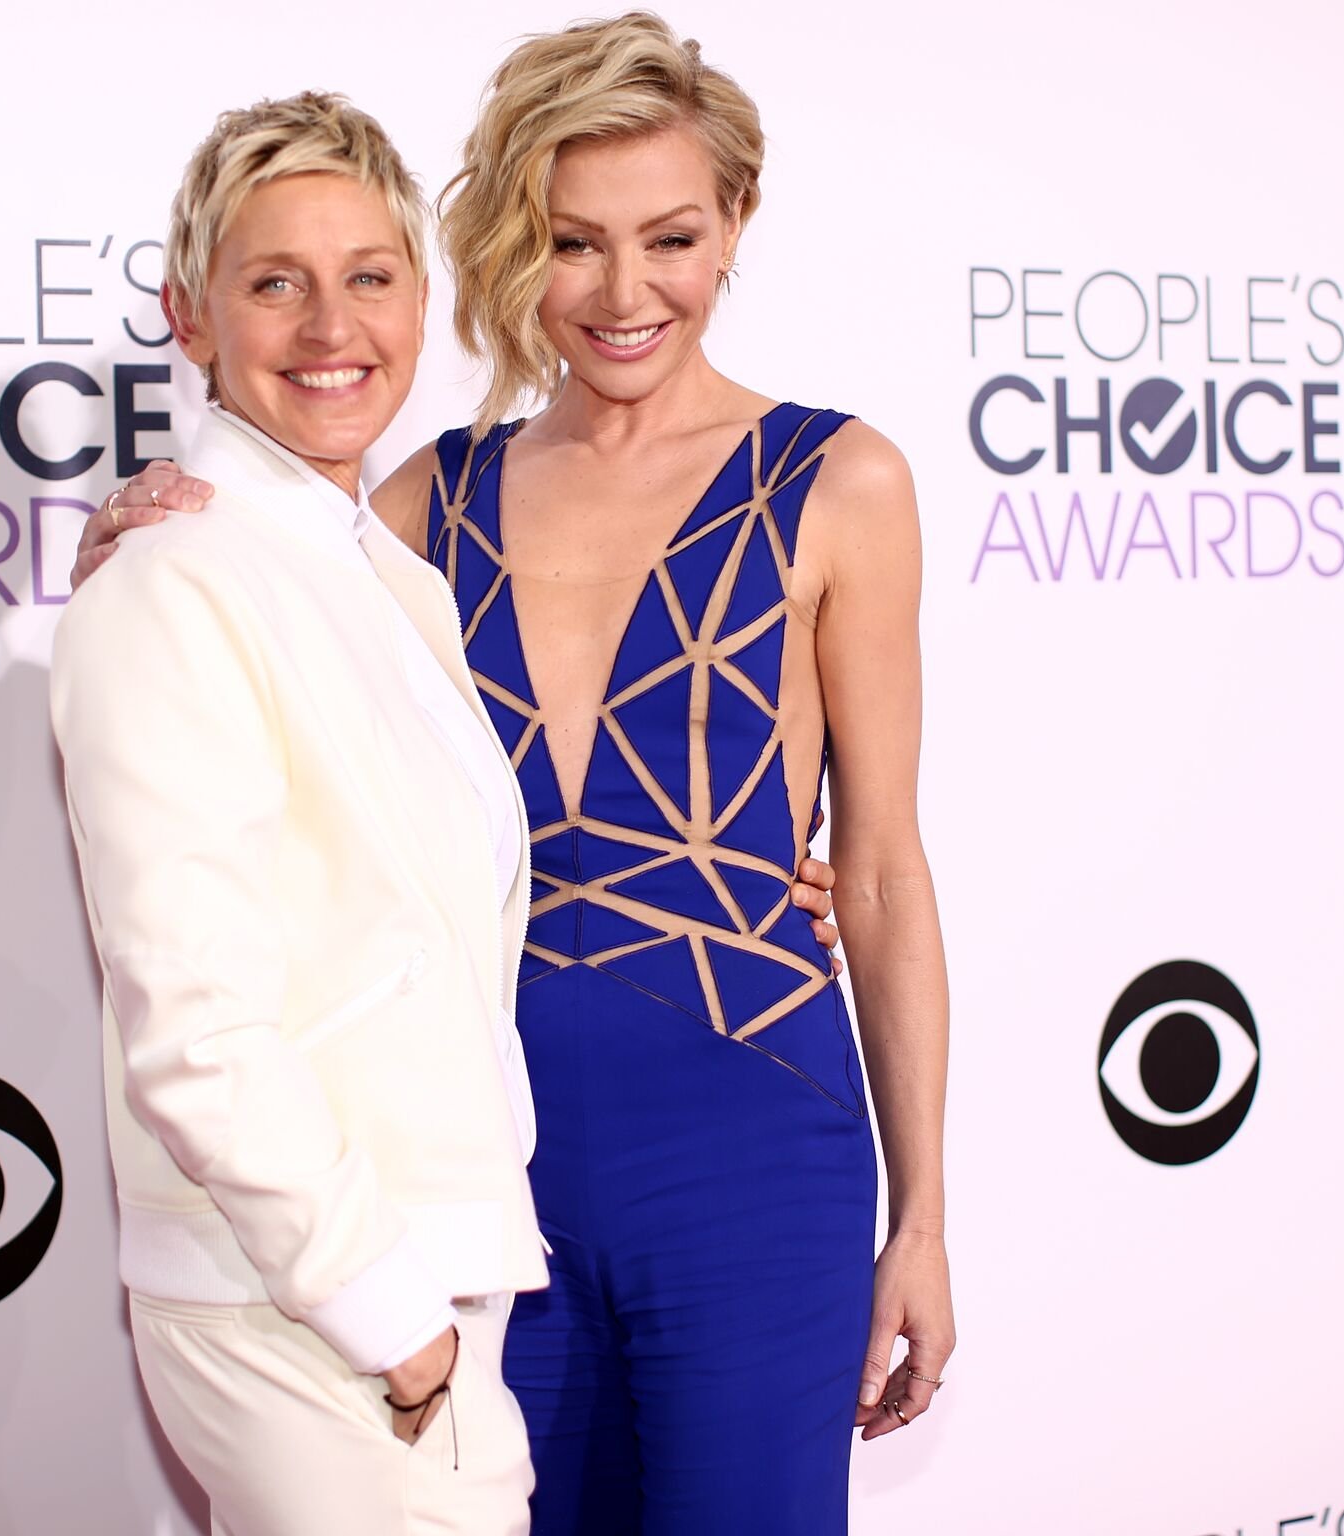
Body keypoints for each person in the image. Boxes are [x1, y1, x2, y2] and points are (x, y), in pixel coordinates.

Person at [80, 15, 954, 1533]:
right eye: (570, 242)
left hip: (752, 1151)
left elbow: (877, 867)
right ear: (505, 245)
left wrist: (924, 1218)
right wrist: (150, 523)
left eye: (670, 238)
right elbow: (262, 642)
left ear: (734, 226)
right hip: (482, 1187)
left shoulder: (840, 481)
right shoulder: (422, 500)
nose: (625, 293)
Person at [50, 91, 550, 1536]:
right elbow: (191, 1012)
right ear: (191, 318)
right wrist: (386, 1317)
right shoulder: (170, 581)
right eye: (276, 282)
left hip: (404, 1278)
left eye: (369, 277)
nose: (333, 326)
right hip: (315, 1308)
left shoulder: (385, 576)